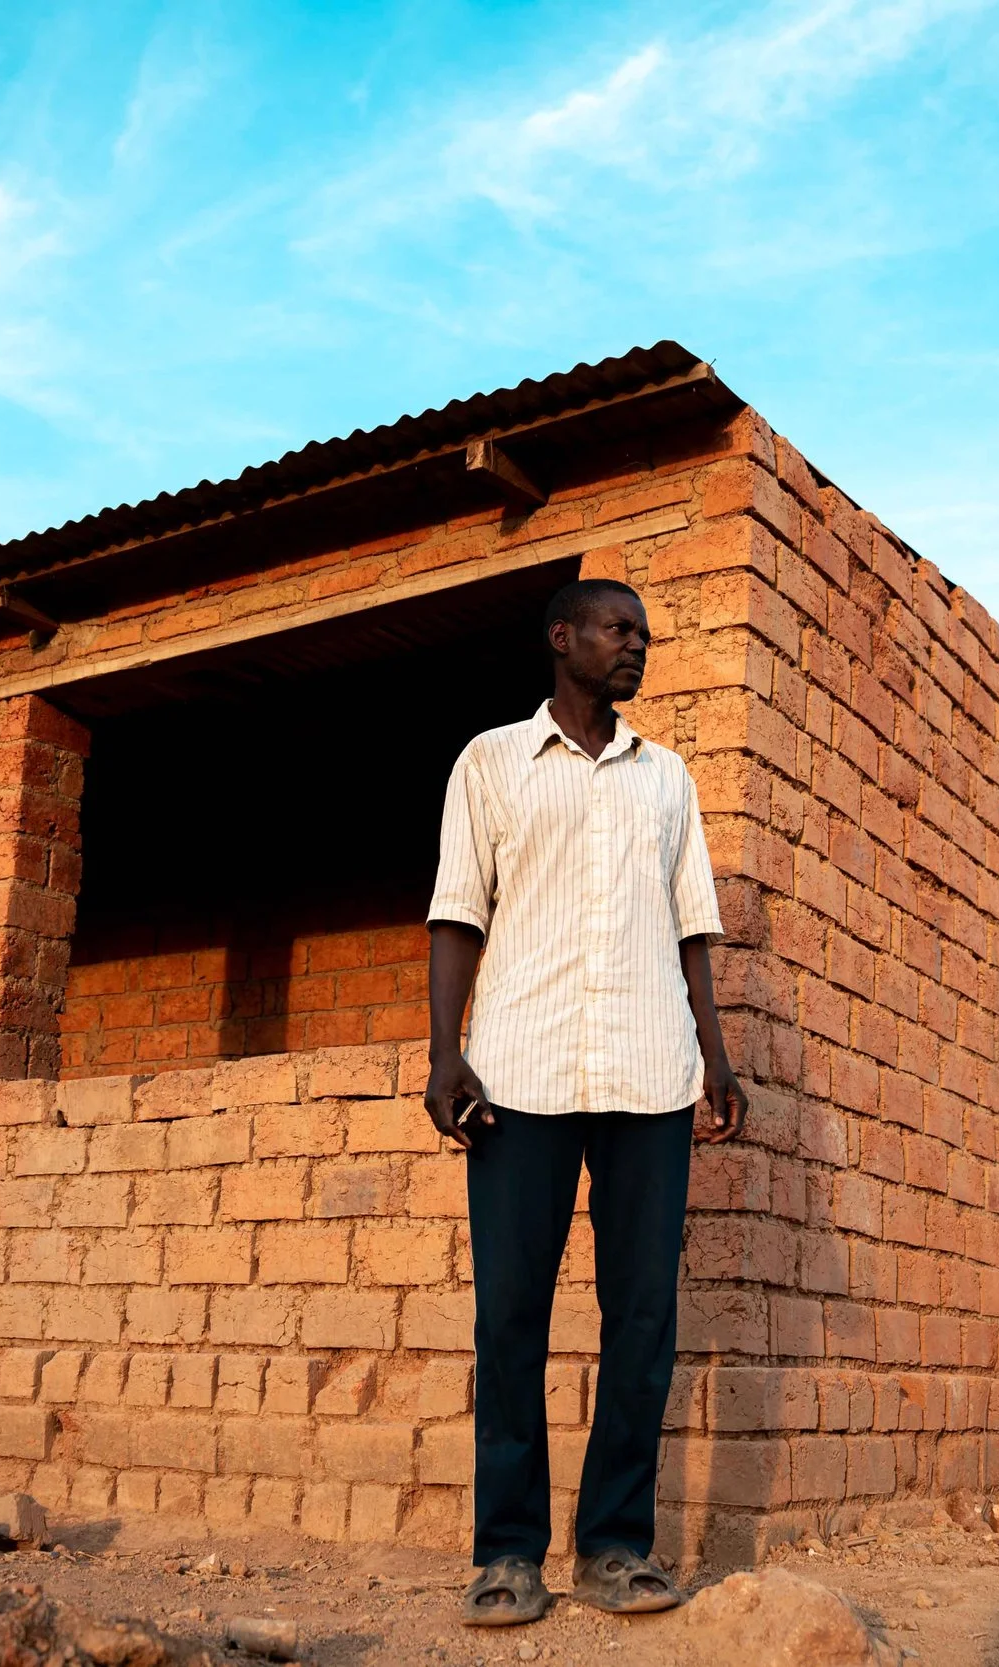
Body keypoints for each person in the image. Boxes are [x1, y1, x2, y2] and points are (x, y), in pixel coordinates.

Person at [423, 576, 748, 1627]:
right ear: (561, 638)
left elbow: (691, 921)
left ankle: (615, 1543)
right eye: (617, 629)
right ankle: (507, 1552)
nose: (635, 646)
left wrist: (716, 1054)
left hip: (649, 1072)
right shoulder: (491, 763)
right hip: (519, 1071)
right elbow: (456, 911)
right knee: (509, 1314)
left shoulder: (667, 780)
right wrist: (444, 1052)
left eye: (644, 634)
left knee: (642, 1316)